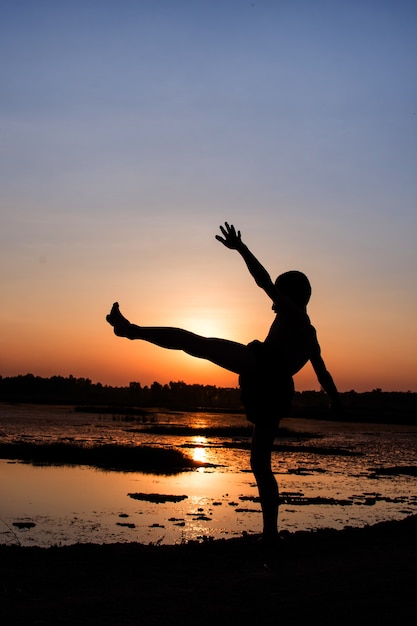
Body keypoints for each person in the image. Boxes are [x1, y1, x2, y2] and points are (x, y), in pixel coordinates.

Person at [106, 222, 342, 554]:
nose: (272, 302)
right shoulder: (309, 331)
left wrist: (241, 249)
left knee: (195, 343)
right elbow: (323, 372)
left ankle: (130, 331)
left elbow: (262, 281)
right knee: (260, 463)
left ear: (288, 296)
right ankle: (271, 534)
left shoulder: (292, 313)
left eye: (278, 294)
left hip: (262, 370)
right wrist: (336, 400)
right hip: (274, 390)